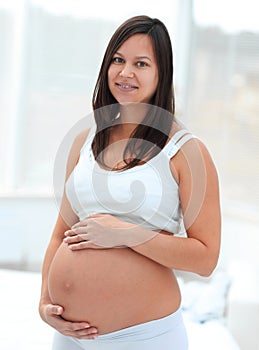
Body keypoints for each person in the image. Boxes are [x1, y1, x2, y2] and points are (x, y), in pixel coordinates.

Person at [39, 15, 221, 350]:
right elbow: (58, 235)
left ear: (161, 73)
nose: (125, 73)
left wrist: (126, 233)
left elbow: (205, 259)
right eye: (118, 60)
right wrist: (44, 303)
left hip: (143, 337)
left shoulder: (186, 151)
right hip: (71, 336)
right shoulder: (85, 139)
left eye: (141, 63)